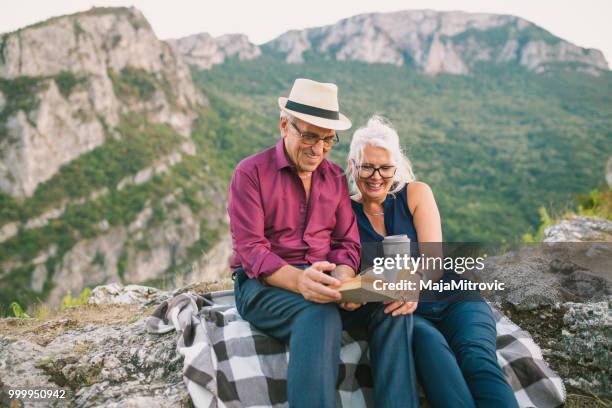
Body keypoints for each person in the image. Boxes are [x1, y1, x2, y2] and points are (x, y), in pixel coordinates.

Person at [228, 79, 418, 408]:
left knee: (393, 308)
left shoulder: (333, 178)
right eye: (310, 136)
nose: (319, 149)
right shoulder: (250, 173)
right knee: (319, 314)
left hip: (327, 280)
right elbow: (251, 251)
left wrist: (345, 278)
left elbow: (346, 242)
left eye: (328, 139)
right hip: (264, 285)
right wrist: (301, 281)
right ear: (285, 125)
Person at [347, 115, 519, 408]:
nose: (376, 176)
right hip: (408, 314)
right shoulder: (345, 212)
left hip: (454, 297)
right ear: (353, 166)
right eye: (367, 167)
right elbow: (352, 280)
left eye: (385, 168)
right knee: (439, 363)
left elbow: (434, 261)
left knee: (478, 360)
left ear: (396, 167)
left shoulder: (416, 193)